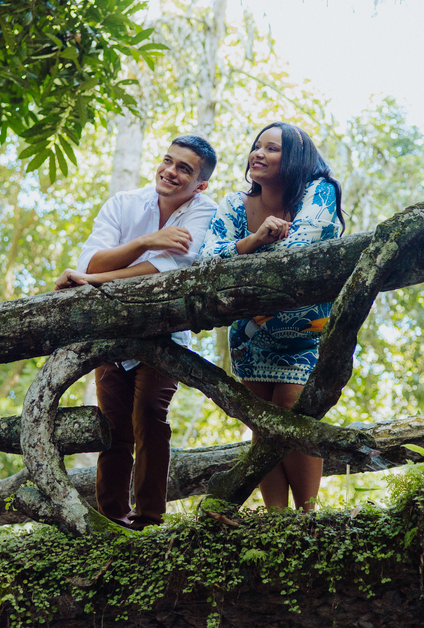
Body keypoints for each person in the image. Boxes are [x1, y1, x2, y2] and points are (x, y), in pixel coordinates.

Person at [54, 135, 218, 529]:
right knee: (112, 426)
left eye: (184, 169)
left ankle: (149, 518)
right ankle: (111, 517)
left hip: (165, 333)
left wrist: (94, 281)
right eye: (168, 161)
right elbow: (88, 259)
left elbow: (166, 272)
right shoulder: (124, 203)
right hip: (112, 331)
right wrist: (146, 240)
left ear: (200, 184)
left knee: (149, 416)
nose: (171, 171)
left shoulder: (205, 210)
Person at [200, 122, 344, 511]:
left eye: (272, 149)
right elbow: (208, 259)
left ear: (295, 158)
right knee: (262, 427)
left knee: (296, 414)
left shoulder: (320, 191)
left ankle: (309, 515)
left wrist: (242, 256)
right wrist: (254, 239)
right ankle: (277, 519)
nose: (258, 154)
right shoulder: (233, 204)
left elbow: (301, 247)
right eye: (256, 147)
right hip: (250, 336)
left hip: (308, 332)